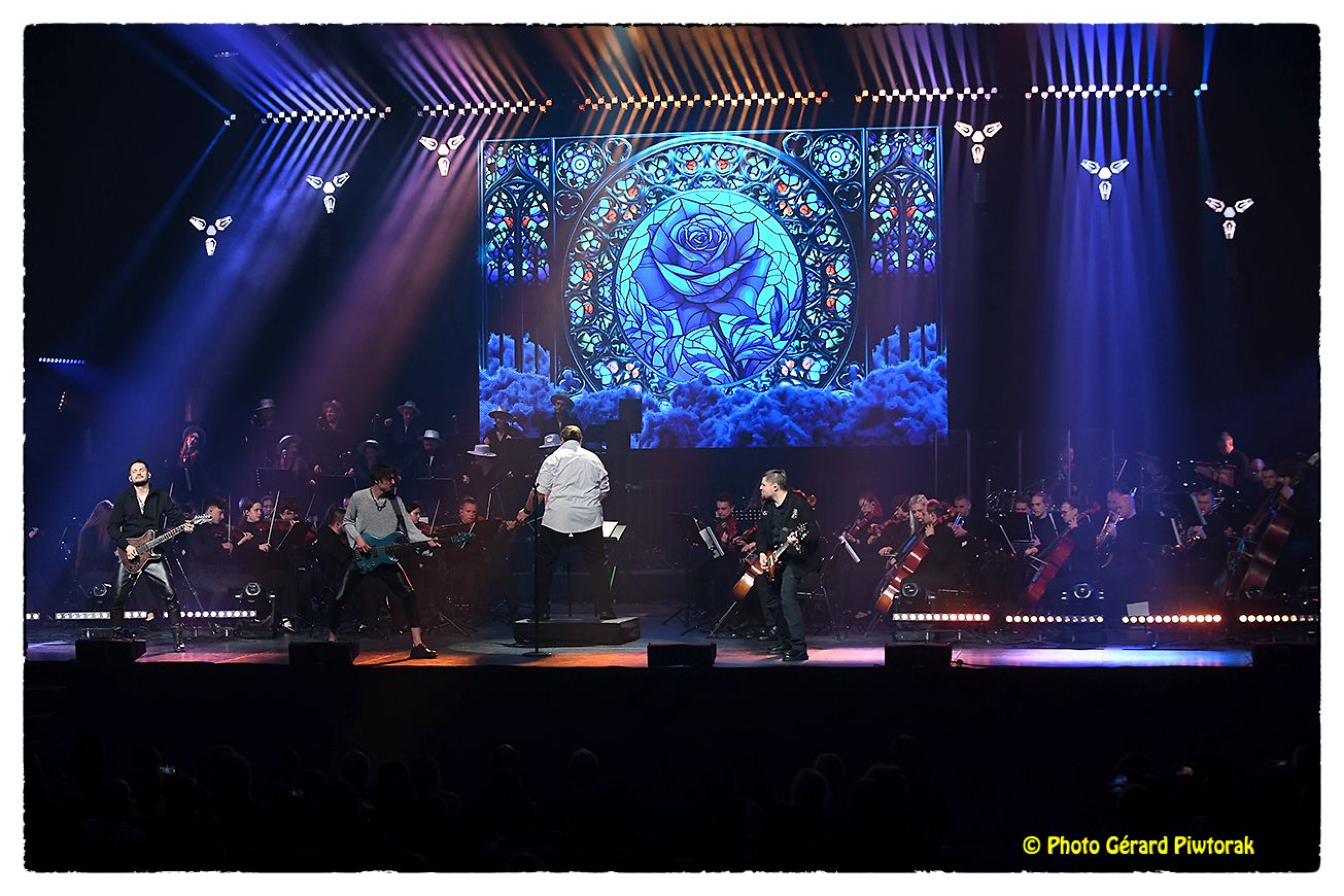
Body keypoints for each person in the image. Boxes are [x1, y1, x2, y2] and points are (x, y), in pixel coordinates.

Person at [328, 463, 442, 659]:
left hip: (386, 557)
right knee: (341, 596)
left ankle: (418, 645)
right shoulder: (358, 497)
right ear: (377, 480)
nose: (393, 482)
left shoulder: (396, 501)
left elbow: (409, 529)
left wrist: (426, 541)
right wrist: (359, 539)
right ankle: (331, 638)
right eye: (389, 478)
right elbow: (347, 521)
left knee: (408, 594)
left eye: (393, 478)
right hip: (363, 556)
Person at [516, 425, 612, 620]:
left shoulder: (553, 459)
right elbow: (605, 490)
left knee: (545, 565)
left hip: (557, 518)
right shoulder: (593, 459)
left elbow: (538, 493)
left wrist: (526, 511)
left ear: (561, 440)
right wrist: (588, 502)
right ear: (581, 440)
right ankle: (605, 609)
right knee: (597, 565)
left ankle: (541, 610)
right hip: (588, 518)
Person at [105, 460, 195, 650]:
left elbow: (176, 517)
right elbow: (112, 527)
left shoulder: (160, 496)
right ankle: (116, 635)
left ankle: (178, 640)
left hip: (154, 552)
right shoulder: (123, 498)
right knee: (118, 597)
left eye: (141, 470)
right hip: (130, 553)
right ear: (130, 477)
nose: (138, 473)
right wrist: (125, 546)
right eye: (134, 471)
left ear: (149, 474)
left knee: (170, 594)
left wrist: (186, 525)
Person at [753, 469, 820, 662]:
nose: (760, 488)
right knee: (772, 600)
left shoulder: (798, 504)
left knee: (787, 598)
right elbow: (761, 532)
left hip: (797, 560)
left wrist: (798, 538)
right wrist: (762, 553)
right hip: (776, 558)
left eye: (763, 485)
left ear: (775, 486)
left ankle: (799, 648)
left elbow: (812, 532)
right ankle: (786, 642)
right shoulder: (767, 506)